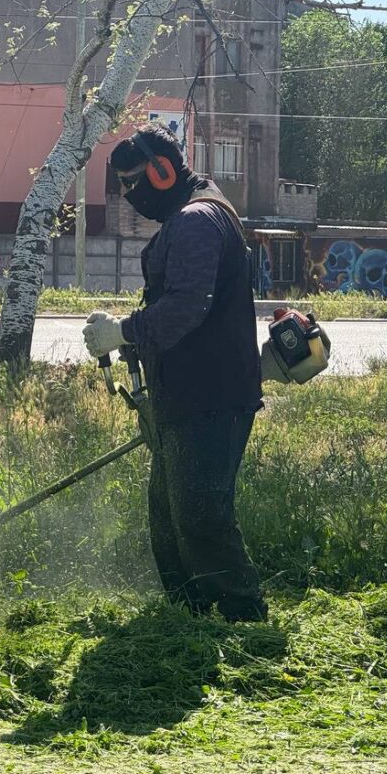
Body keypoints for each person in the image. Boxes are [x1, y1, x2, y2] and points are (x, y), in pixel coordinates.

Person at [82, 123, 267, 623]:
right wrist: (132, 334)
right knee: (169, 517)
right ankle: (188, 617)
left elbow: (187, 306)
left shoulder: (197, 221)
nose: (127, 195)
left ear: (162, 172)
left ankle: (242, 621)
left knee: (202, 515)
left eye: (131, 181)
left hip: (209, 395)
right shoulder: (195, 211)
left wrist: (123, 331)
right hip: (184, 392)